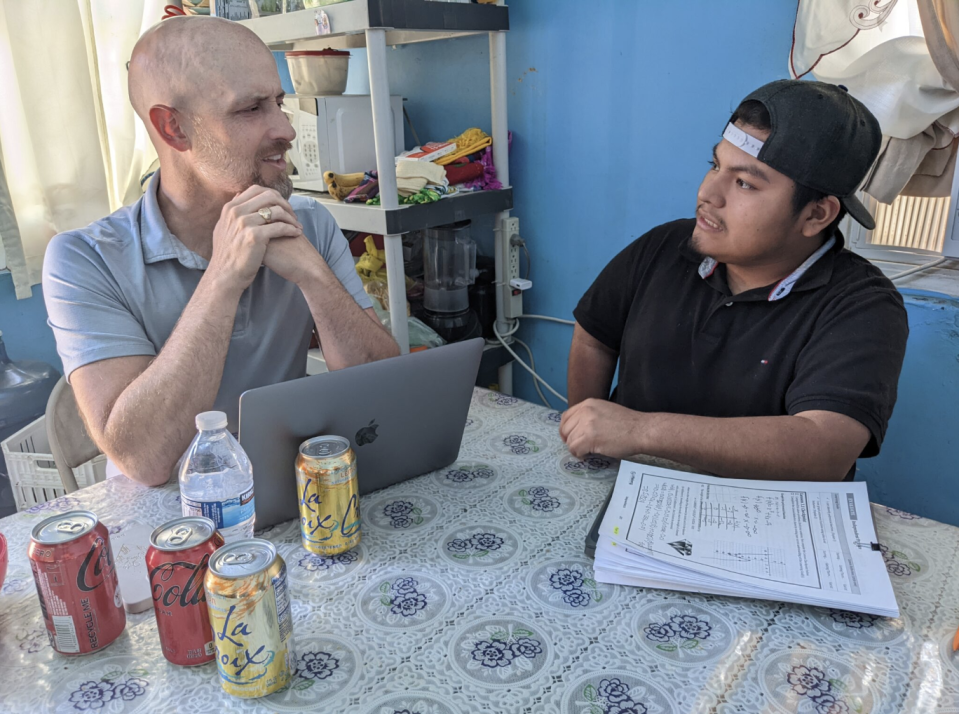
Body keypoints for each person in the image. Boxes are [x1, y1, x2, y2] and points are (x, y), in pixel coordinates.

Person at [42, 17, 399, 487]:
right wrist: (223, 278)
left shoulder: (308, 222)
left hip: (286, 496)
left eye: (279, 102)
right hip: (171, 529)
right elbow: (145, 460)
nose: (286, 129)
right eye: (251, 108)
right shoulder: (82, 260)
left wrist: (315, 275)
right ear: (174, 129)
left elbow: (386, 395)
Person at [561, 79, 908, 482]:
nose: (709, 193)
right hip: (632, 499)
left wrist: (640, 430)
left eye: (744, 183)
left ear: (816, 215)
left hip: (762, 524)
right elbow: (593, 335)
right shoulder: (665, 246)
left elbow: (825, 445)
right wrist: (590, 434)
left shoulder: (862, 305)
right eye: (715, 166)